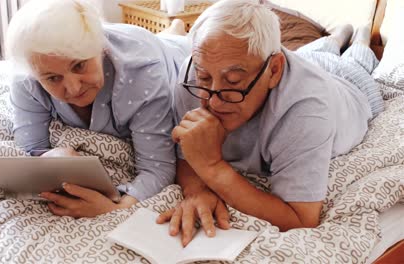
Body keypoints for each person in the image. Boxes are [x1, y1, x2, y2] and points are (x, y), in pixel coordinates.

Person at [157, 0, 384, 246]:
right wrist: (197, 191)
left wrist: (213, 168)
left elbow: (302, 219)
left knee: (355, 61)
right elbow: (187, 151)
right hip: (303, 62)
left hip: (351, 88)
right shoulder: (194, 75)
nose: (214, 101)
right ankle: (337, 37)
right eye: (204, 76)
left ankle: (361, 38)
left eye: (233, 81)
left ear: (274, 71)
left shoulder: (307, 110)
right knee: (312, 53)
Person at [6, 0, 190, 217]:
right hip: (131, 43)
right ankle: (170, 32)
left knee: (178, 43)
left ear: (100, 48)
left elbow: (158, 167)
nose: (73, 89)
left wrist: (118, 208)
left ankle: (176, 33)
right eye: (53, 78)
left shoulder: (143, 73)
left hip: (168, 55)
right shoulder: (26, 80)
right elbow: (30, 150)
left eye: (79, 65)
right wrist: (51, 156)